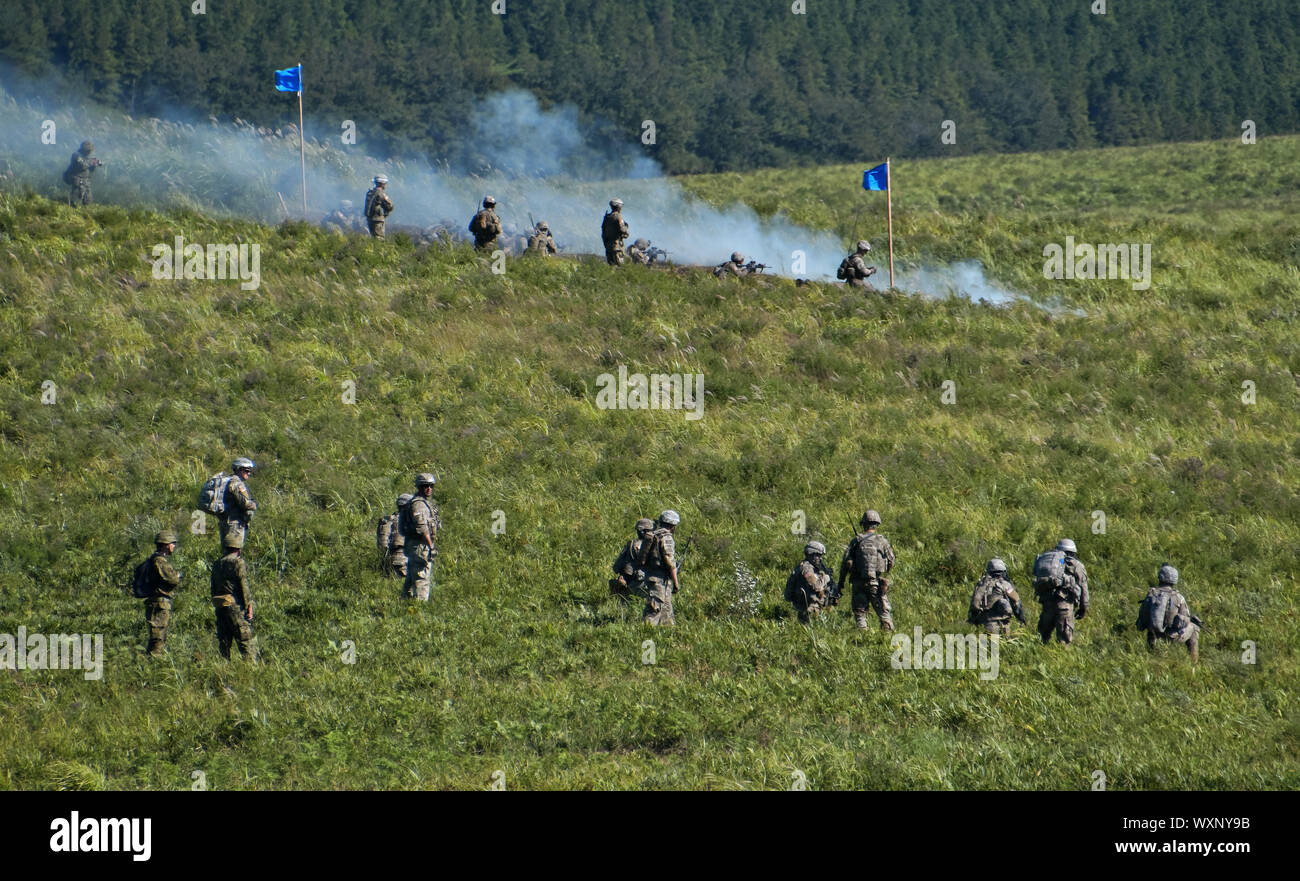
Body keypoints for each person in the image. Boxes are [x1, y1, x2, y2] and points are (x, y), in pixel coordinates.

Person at [838, 509, 895, 631]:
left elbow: (845, 564)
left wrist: (841, 583)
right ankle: (887, 638)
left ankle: (863, 636)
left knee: (860, 614)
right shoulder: (882, 541)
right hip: (876, 581)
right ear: (877, 524)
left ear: (863, 524)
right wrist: (884, 572)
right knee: (883, 613)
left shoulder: (856, 541)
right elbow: (891, 561)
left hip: (858, 582)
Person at [1137, 564, 1200, 663]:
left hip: (1152, 636)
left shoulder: (1151, 595)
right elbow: (1185, 621)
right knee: (1194, 627)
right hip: (1171, 637)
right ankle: (1194, 662)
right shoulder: (1178, 597)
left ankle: (1151, 652)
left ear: (1160, 577)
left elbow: (1142, 617)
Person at [1033, 539, 1089, 645]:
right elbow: (1083, 588)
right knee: (1064, 641)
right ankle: (1059, 660)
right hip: (1065, 606)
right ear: (1073, 552)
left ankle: (1038, 656)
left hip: (1048, 605)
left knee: (1042, 638)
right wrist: (1083, 608)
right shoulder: (1076, 565)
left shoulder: (1053, 562)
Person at [210, 532, 255, 661]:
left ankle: (224, 669)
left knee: (224, 641)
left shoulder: (217, 564)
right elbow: (243, 586)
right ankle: (250, 668)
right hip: (235, 605)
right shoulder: (238, 562)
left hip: (220, 605)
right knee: (244, 638)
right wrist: (248, 606)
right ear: (238, 548)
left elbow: (213, 588)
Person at [140, 530, 182, 657]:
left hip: (157, 602)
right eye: (172, 543)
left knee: (157, 637)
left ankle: (150, 664)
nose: (173, 546)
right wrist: (178, 576)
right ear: (165, 545)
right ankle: (154, 665)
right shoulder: (160, 561)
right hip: (159, 603)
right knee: (158, 638)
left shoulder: (154, 560)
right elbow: (173, 579)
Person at [401, 473, 441, 601]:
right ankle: (420, 608)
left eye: (431, 485)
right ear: (419, 487)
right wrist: (431, 545)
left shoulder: (423, 503)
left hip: (417, 545)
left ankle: (405, 603)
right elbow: (422, 527)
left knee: (412, 578)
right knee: (422, 578)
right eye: (425, 486)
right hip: (420, 545)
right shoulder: (418, 504)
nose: (429, 488)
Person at [641, 510, 681, 625]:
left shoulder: (654, 535)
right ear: (672, 525)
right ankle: (646, 632)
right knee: (654, 608)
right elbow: (670, 562)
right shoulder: (666, 538)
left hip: (653, 575)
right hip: (660, 578)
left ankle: (668, 633)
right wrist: (676, 582)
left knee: (666, 609)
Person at [967, 558, 1026, 635]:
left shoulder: (982, 585)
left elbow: (974, 605)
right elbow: (1016, 601)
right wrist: (1021, 619)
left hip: (985, 624)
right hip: (1003, 624)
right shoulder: (1005, 584)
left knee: (989, 646)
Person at [785, 541, 835, 623]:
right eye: (818, 555)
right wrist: (826, 577)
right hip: (808, 607)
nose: (820, 558)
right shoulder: (806, 569)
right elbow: (816, 586)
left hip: (810, 606)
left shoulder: (811, 567)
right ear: (812, 554)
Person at [610, 518, 655, 600]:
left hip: (633, 584)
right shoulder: (655, 544)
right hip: (649, 585)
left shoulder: (631, 544)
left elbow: (616, 567)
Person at [218, 458, 257, 550]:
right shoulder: (236, 483)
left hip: (228, 523)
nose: (249, 473)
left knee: (229, 555)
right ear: (239, 469)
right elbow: (245, 504)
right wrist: (254, 505)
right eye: (247, 471)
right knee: (233, 556)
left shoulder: (229, 481)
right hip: (234, 525)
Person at [64, 140, 101, 206]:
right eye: (88, 150)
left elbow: (90, 171)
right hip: (77, 179)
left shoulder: (87, 158)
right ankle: (73, 211)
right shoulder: (76, 155)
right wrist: (91, 163)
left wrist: (94, 165)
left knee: (88, 200)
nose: (90, 152)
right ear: (84, 150)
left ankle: (84, 212)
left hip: (85, 181)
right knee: (76, 200)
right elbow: (82, 166)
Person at [601, 199, 629, 266]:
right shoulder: (618, 216)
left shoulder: (607, 217)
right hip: (617, 247)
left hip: (608, 247)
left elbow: (603, 231)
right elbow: (622, 229)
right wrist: (626, 228)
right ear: (618, 206)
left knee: (612, 266)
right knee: (621, 266)